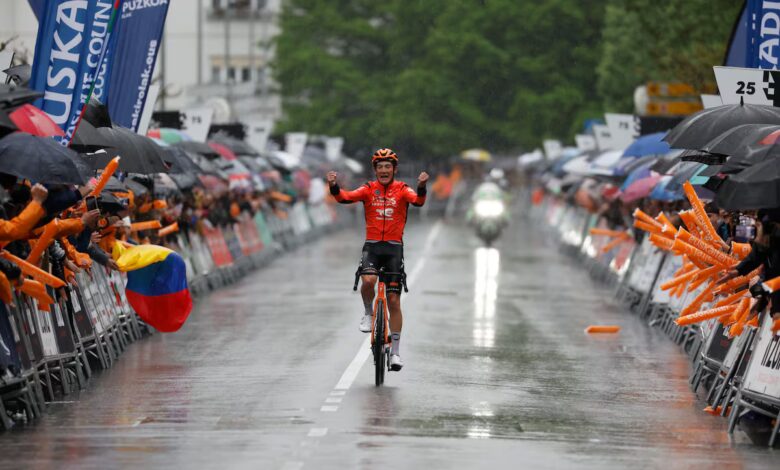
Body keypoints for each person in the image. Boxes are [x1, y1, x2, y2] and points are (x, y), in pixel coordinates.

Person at [327, 148, 428, 371]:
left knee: (394, 301)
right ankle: (368, 313)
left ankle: (396, 353)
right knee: (368, 281)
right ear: (375, 170)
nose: (384, 170)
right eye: (380, 167)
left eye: (387, 167)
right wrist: (334, 185)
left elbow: (418, 201)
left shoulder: (403, 189)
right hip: (372, 247)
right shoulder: (368, 189)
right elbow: (344, 197)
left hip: (394, 249)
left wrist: (421, 186)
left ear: (394, 169)